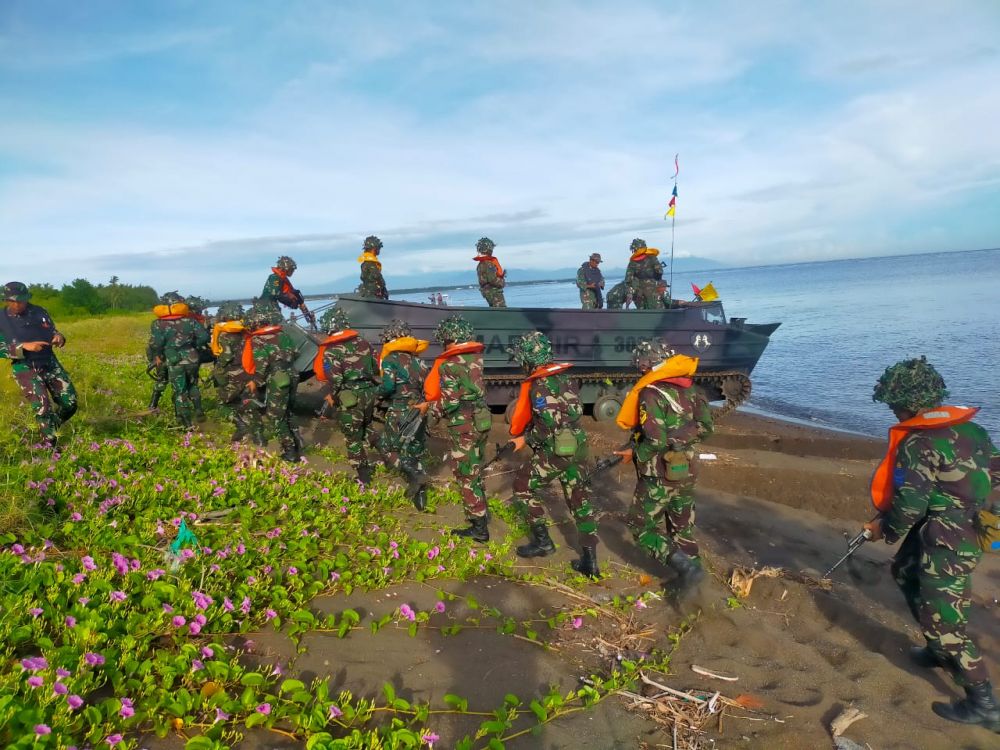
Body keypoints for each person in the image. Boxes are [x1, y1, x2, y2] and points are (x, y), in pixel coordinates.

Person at [863, 357, 999, 732]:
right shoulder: (974, 430)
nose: (892, 410)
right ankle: (938, 652)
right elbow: (995, 470)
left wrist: (884, 529)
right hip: (958, 527)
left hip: (948, 539)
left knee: (944, 622)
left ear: (909, 402)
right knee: (904, 571)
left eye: (894, 404)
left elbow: (910, 505)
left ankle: (984, 704)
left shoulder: (919, 443)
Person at [614, 340, 713, 594]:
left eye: (640, 364)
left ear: (646, 364)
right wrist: (680, 438)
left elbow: (655, 441)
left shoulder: (651, 393)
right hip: (687, 468)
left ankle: (686, 569)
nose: (639, 368)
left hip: (659, 472)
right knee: (682, 526)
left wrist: (634, 453)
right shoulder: (693, 389)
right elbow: (705, 428)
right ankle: (694, 585)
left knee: (640, 526)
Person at [506, 332, 600, 577]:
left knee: (522, 487)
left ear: (529, 358)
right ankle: (590, 560)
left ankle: (543, 542)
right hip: (579, 446)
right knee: (580, 500)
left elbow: (549, 424)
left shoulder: (539, 386)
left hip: (557, 449)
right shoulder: (566, 378)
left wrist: (525, 440)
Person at [416, 315, 491, 540]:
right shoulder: (476, 358)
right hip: (482, 418)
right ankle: (483, 511)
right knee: (476, 465)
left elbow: (450, 401)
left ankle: (479, 528)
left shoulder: (449, 365)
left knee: (466, 473)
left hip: (464, 423)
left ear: (450, 339)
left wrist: (430, 411)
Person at [0, 281, 77, 445]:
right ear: (6, 300)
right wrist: (23, 346)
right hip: (25, 366)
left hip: (49, 361)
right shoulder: (2, 319)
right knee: (43, 407)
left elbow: (52, 330)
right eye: (13, 301)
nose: (18, 304)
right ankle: (50, 447)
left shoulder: (39, 311)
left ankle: (51, 426)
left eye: (21, 300)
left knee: (70, 403)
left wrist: (59, 337)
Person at [314, 307, 380, 483]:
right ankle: (389, 456)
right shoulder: (365, 342)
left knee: (352, 436)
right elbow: (376, 367)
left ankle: (363, 476)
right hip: (369, 392)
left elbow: (335, 380)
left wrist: (330, 396)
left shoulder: (331, 350)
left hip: (350, 396)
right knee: (367, 426)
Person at [377, 319, 431, 510]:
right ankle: (421, 498)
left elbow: (388, 386)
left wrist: (376, 394)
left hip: (400, 411)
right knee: (415, 450)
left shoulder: (391, 360)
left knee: (388, 448)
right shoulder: (420, 362)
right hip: (420, 411)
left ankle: (415, 476)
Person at [238, 301, 300, 462]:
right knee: (288, 410)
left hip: (277, 378)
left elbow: (261, 364)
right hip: (293, 374)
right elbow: (296, 353)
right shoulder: (283, 334)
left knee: (275, 416)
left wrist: (256, 382)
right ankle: (297, 442)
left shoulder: (258, 340)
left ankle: (290, 452)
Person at [147, 292, 210, 429]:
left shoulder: (158, 324)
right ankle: (199, 412)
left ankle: (187, 423)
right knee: (192, 385)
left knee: (180, 392)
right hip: (192, 358)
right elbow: (205, 337)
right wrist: (194, 345)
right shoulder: (190, 321)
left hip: (174, 360)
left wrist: (158, 356)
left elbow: (156, 343)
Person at [209, 301, 248, 441]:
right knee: (241, 398)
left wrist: (216, 371)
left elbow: (226, 358)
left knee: (222, 404)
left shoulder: (225, 335)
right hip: (247, 372)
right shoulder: (246, 333)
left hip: (232, 373)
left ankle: (241, 425)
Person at [261, 256, 316, 326]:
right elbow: (275, 294)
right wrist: (289, 297)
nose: (293, 271)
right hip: (266, 306)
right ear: (286, 268)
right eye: (291, 269)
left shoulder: (284, 278)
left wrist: (300, 304)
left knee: (281, 324)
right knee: (280, 325)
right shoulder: (275, 277)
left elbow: (292, 292)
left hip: (273, 306)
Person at [623, 238, 665, 310]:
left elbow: (628, 280)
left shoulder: (632, 262)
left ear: (633, 249)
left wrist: (630, 293)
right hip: (653, 289)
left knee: (641, 311)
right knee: (657, 309)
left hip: (638, 292)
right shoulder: (652, 257)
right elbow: (660, 271)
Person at [474, 237, 506, 308]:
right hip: (494, 292)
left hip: (487, 292)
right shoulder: (488, 263)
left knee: (493, 309)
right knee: (501, 310)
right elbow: (492, 279)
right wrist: (502, 282)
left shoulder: (480, 264)